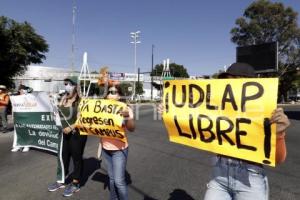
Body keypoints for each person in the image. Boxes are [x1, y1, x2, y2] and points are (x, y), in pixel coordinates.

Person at [158, 62, 290, 200]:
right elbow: (194, 126)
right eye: (225, 82)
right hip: (219, 174)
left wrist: (279, 133)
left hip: (250, 179)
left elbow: (278, 159)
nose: (227, 86)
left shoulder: (266, 113)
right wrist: (171, 113)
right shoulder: (218, 109)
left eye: (233, 82)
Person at [48, 77, 87, 197]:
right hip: (63, 133)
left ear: (76, 86)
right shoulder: (63, 98)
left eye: (69, 84)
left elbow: (83, 119)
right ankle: (61, 180)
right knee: (63, 156)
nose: (66, 86)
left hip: (77, 134)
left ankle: (76, 183)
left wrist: (71, 127)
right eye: (65, 84)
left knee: (76, 157)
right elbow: (58, 113)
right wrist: (53, 103)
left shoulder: (82, 101)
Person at [102, 84, 135, 200]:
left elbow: (131, 128)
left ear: (119, 95)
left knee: (119, 181)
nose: (111, 95)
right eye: (109, 92)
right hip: (105, 149)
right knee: (111, 179)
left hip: (119, 150)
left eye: (114, 92)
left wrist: (127, 118)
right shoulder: (101, 108)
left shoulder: (126, 108)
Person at [11, 84, 33, 152]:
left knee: (26, 131)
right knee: (17, 132)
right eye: (21, 89)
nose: (22, 91)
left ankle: (27, 145)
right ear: (19, 90)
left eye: (24, 89)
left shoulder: (29, 97)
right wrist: (13, 116)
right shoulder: (16, 98)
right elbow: (13, 108)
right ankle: (17, 146)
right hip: (18, 117)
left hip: (26, 117)